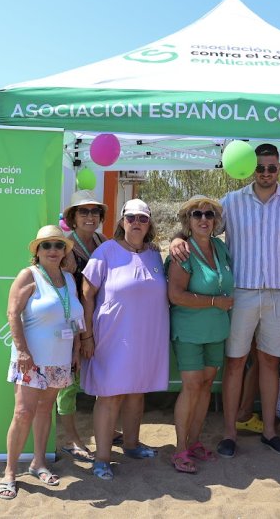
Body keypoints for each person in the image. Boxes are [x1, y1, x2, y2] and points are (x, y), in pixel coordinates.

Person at [171, 142, 280, 458]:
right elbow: (201, 227)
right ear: (251, 169)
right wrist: (177, 238)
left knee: (270, 362)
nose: (265, 173)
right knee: (235, 362)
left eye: (271, 168)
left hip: (278, 293)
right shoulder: (231, 202)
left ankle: (270, 431)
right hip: (240, 295)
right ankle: (230, 433)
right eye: (260, 168)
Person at [80, 199, 169, 481]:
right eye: (131, 218)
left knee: (136, 392)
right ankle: (102, 458)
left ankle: (131, 445)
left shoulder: (155, 254)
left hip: (146, 338)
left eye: (143, 218)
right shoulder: (106, 251)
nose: (137, 223)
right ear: (122, 221)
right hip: (111, 336)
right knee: (110, 395)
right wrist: (87, 335)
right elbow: (86, 294)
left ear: (149, 223)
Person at [0, 225, 84, 500]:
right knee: (23, 413)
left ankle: (38, 463)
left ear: (65, 251)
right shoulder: (29, 275)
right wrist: (22, 351)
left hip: (59, 359)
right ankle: (10, 473)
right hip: (31, 360)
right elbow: (12, 313)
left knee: (46, 410)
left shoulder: (69, 279)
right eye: (46, 245)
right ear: (37, 250)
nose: (53, 250)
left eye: (58, 245)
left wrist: (76, 347)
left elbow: (74, 317)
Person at [166, 195, 234, 473]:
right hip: (190, 331)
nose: (204, 219)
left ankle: (194, 443)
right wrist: (215, 302)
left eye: (209, 214)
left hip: (216, 329)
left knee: (206, 385)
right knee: (192, 386)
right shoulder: (183, 251)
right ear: (188, 221)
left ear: (216, 221)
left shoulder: (220, 247)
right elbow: (175, 295)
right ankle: (180, 449)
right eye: (197, 214)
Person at [57, 190, 108, 463]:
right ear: (73, 217)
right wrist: (80, 335)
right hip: (71, 322)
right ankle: (71, 439)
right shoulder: (65, 248)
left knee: (101, 376)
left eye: (95, 211)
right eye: (84, 211)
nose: (90, 216)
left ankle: (105, 430)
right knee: (68, 382)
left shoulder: (103, 241)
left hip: (98, 320)